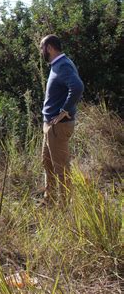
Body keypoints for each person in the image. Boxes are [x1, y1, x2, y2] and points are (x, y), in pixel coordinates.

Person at [40, 34, 84, 205]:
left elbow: (77, 86)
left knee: (61, 169)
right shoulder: (57, 65)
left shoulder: (63, 65)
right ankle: (49, 199)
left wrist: (64, 110)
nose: (41, 51)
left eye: (41, 47)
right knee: (47, 163)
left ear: (49, 48)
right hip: (51, 126)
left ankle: (64, 206)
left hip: (59, 126)